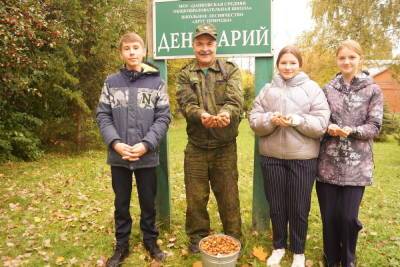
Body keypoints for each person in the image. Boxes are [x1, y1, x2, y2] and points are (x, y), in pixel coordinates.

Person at [249, 45, 330, 267]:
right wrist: (270, 120)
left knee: (299, 206)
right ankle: (278, 247)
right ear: (278, 65)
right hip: (272, 158)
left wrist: (297, 120)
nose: (288, 66)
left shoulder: (312, 89)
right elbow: (254, 119)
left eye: (292, 62)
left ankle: (298, 251)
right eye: (283, 62)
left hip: (303, 159)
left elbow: (322, 123)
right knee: (276, 206)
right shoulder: (267, 90)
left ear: (300, 65)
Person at [96, 32, 171, 266]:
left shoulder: (157, 84)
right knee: (121, 202)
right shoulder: (111, 82)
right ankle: (122, 245)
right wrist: (116, 144)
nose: (131, 52)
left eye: (136, 47)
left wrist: (146, 144)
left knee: (148, 201)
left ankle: (150, 241)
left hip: (146, 155)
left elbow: (163, 117)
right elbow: (103, 115)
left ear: (143, 51)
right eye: (127, 48)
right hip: (119, 156)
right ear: (121, 53)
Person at [176, 23, 244, 253]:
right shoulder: (185, 74)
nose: (205, 48)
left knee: (228, 195)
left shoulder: (230, 70)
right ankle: (197, 238)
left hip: (224, 146)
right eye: (200, 44)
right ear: (194, 45)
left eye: (209, 43)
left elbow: (236, 101)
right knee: (196, 197)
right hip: (196, 145)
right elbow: (186, 103)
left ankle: (234, 238)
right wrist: (201, 116)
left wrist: (226, 114)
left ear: (216, 45)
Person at [316, 40, 383, 267]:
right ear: (337, 60)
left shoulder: (372, 89)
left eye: (351, 57)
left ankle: (348, 260)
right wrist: (327, 127)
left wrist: (352, 131)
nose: (347, 61)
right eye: (342, 57)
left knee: (347, 217)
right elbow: (320, 119)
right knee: (329, 217)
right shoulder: (328, 88)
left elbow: (374, 125)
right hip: (328, 163)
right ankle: (330, 258)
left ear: (359, 59)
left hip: (357, 165)